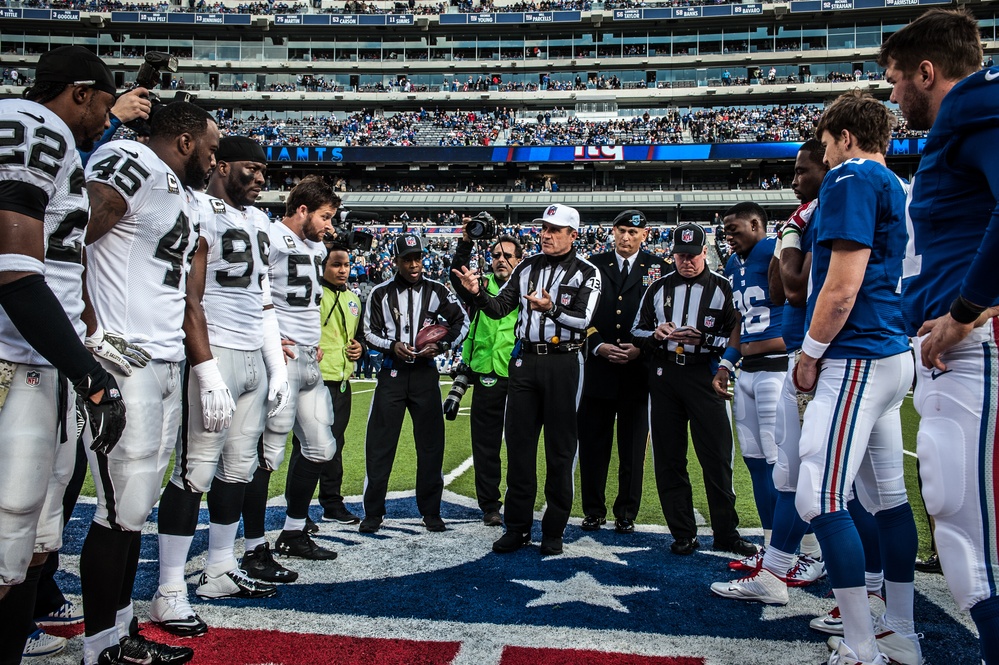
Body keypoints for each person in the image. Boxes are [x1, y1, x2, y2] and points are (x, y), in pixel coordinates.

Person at [0, 45, 127, 663]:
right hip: (15, 361)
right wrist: (90, 374)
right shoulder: (35, 125)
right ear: (80, 92)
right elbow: (17, 271)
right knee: (8, 538)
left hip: (35, 355)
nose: (107, 118)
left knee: (29, 540)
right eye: (103, 103)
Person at [880, 9, 999, 663]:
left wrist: (965, 306)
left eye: (897, 81)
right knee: (962, 527)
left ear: (928, 71)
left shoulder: (975, 105)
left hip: (973, 353)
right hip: (954, 356)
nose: (893, 98)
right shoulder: (962, 124)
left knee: (968, 533)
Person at [81, 101, 218, 665]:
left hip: (162, 361)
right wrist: (88, 325)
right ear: (184, 141)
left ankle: (119, 631)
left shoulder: (183, 195)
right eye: (210, 148)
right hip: (124, 360)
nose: (214, 159)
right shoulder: (130, 157)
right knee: (117, 511)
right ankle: (100, 647)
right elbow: (69, 235)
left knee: (135, 509)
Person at [793, 90, 918, 665]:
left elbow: (840, 288)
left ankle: (863, 646)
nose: (824, 156)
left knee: (819, 499)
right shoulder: (899, 184)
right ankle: (900, 631)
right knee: (888, 498)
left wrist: (811, 352)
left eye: (825, 145)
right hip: (892, 354)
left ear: (844, 138)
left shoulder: (849, 179)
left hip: (857, 356)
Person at [151, 136, 287, 638]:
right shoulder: (198, 209)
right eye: (251, 168)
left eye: (264, 170)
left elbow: (266, 301)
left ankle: (220, 568)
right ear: (221, 164)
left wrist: (275, 369)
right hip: (217, 352)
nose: (259, 177)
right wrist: (205, 369)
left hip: (253, 354)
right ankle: (168, 589)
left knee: (238, 469)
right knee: (195, 473)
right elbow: (190, 295)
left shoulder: (260, 222)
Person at [452, 204, 601, 556]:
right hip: (524, 362)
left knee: (560, 451)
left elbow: (584, 320)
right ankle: (517, 527)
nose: (546, 235)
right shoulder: (526, 266)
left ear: (573, 235)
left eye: (555, 229)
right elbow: (499, 308)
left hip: (564, 362)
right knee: (519, 448)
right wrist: (476, 292)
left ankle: (553, 530)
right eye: (544, 228)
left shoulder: (587, 272)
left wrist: (551, 309)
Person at [631, 223, 756, 558]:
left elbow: (738, 335)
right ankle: (683, 532)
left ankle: (726, 532)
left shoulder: (723, 288)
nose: (686, 262)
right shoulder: (657, 288)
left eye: (693, 255)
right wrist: (656, 335)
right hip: (665, 374)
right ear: (672, 254)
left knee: (716, 457)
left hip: (706, 375)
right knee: (669, 458)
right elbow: (636, 330)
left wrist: (707, 340)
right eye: (680, 255)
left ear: (706, 252)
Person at [242, 176, 341, 565]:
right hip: (280, 358)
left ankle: (293, 531)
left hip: (307, 360)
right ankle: (253, 545)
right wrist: (270, 338)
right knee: (268, 455)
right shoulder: (269, 236)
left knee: (320, 448)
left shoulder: (315, 247)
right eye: (324, 216)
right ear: (302, 209)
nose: (329, 225)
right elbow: (248, 286)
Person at [360, 233, 469, 533]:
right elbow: (368, 332)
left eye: (417, 258)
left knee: (431, 445)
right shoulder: (380, 293)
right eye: (407, 259)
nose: (413, 264)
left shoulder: (437, 291)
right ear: (395, 260)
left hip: (424, 373)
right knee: (380, 445)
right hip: (392, 372)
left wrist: (444, 346)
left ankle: (431, 511)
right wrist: (392, 345)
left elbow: (463, 322)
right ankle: (373, 512)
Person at [578, 210, 667, 534]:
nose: (627, 237)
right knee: (593, 446)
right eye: (622, 231)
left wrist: (641, 348)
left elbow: (663, 322)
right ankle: (593, 510)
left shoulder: (659, 269)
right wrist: (598, 344)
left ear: (645, 234)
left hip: (636, 372)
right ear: (612, 232)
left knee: (632, 448)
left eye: (633, 232)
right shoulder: (592, 266)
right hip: (598, 369)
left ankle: (626, 512)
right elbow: (578, 313)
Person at [711, 202, 786, 554]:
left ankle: (805, 549)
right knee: (755, 463)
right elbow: (741, 319)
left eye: (734, 229)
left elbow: (801, 303)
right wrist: (726, 362)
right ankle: (773, 550)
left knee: (780, 466)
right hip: (747, 372)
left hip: (779, 367)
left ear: (756, 224)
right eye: (725, 231)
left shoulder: (777, 250)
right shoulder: (732, 262)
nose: (728, 237)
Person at [284, 243, 365, 527]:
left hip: (342, 381)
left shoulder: (354, 299)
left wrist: (360, 349)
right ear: (322, 266)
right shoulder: (311, 295)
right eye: (336, 265)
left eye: (346, 264)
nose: (342, 270)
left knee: (336, 445)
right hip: (314, 380)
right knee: (304, 445)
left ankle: (332, 502)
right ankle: (298, 508)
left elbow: (360, 337)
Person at [449, 230, 523, 527]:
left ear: (519, 260)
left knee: (520, 444)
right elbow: (457, 275)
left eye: (508, 256)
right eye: (496, 256)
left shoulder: (525, 286)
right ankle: (490, 505)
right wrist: (466, 241)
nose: (501, 260)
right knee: (485, 445)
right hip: (485, 373)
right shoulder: (478, 285)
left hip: (518, 374)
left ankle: (519, 501)